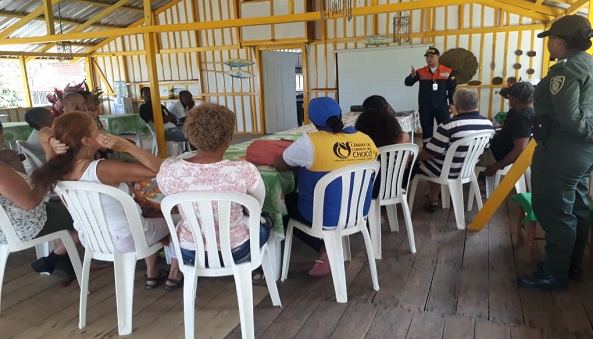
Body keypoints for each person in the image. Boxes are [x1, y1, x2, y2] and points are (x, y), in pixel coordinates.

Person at [31, 111, 174, 290]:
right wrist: (126, 146)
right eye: (97, 130)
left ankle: (153, 273)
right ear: (86, 140)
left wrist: (52, 140)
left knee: (143, 215)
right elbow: (162, 170)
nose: (102, 133)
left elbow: (43, 133)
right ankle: (175, 273)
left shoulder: (56, 165)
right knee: (176, 220)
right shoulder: (102, 169)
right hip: (125, 239)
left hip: (91, 240)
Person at [517, 15, 593, 291]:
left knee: (555, 209)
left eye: (550, 39)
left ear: (557, 40)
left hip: (564, 149)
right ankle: (571, 266)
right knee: (576, 205)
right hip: (585, 153)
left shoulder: (566, 69)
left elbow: (569, 118)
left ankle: (555, 274)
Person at [157, 103, 268, 290]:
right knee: (266, 221)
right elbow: (256, 207)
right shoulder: (244, 170)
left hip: (189, 253)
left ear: (191, 136)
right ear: (229, 140)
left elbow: (171, 198)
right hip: (237, 251)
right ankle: (256, 270)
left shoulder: (170, 169)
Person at [274, 97, 378, 276]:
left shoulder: (309, 143)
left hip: (324, 216)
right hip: (358, 211)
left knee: (283, 205)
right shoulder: (365, 139)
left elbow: (279, 165)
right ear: (340, 114)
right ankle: (329, 247)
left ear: (312, 121)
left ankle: (325, 247)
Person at [414, 88, 494, 211]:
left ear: (456, 107)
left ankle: (433, 199)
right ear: (477, 104)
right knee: (437, 158)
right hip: (469, 168)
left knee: (427, 159)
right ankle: (437, 194)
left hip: (448, 170)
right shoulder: (487, 124)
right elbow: (486, 148)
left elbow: (431, 153)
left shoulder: (448, 125)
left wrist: (415, 157)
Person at [0, 161, 78, 278]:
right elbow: (30, 202)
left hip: (6, 229)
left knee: (61, 207)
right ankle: (52, 259)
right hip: (25, 225)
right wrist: (43, 181)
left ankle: (62, 262)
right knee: (87, 217)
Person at [478, 81, 535, 177]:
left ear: (516, 99)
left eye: (510, 96)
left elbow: (520, 148)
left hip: (493, 156)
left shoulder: (522, 118)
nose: (508, 98)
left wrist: (496, 167)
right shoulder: (532, 113)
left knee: (464, 154)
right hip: (497, 153)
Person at [404, 47, 457, 146]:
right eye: (427, 57)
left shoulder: (448, 71)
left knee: (445, 128)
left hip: (442, 106)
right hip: (425, 106)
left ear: (438, 57)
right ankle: (427, 149)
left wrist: (452, 103)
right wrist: (412, 76)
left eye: (431, 56)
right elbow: (408, 83)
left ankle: (445, 148)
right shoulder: (420, 72)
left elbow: (452, 89)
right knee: (426, 129)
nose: (429, 58)